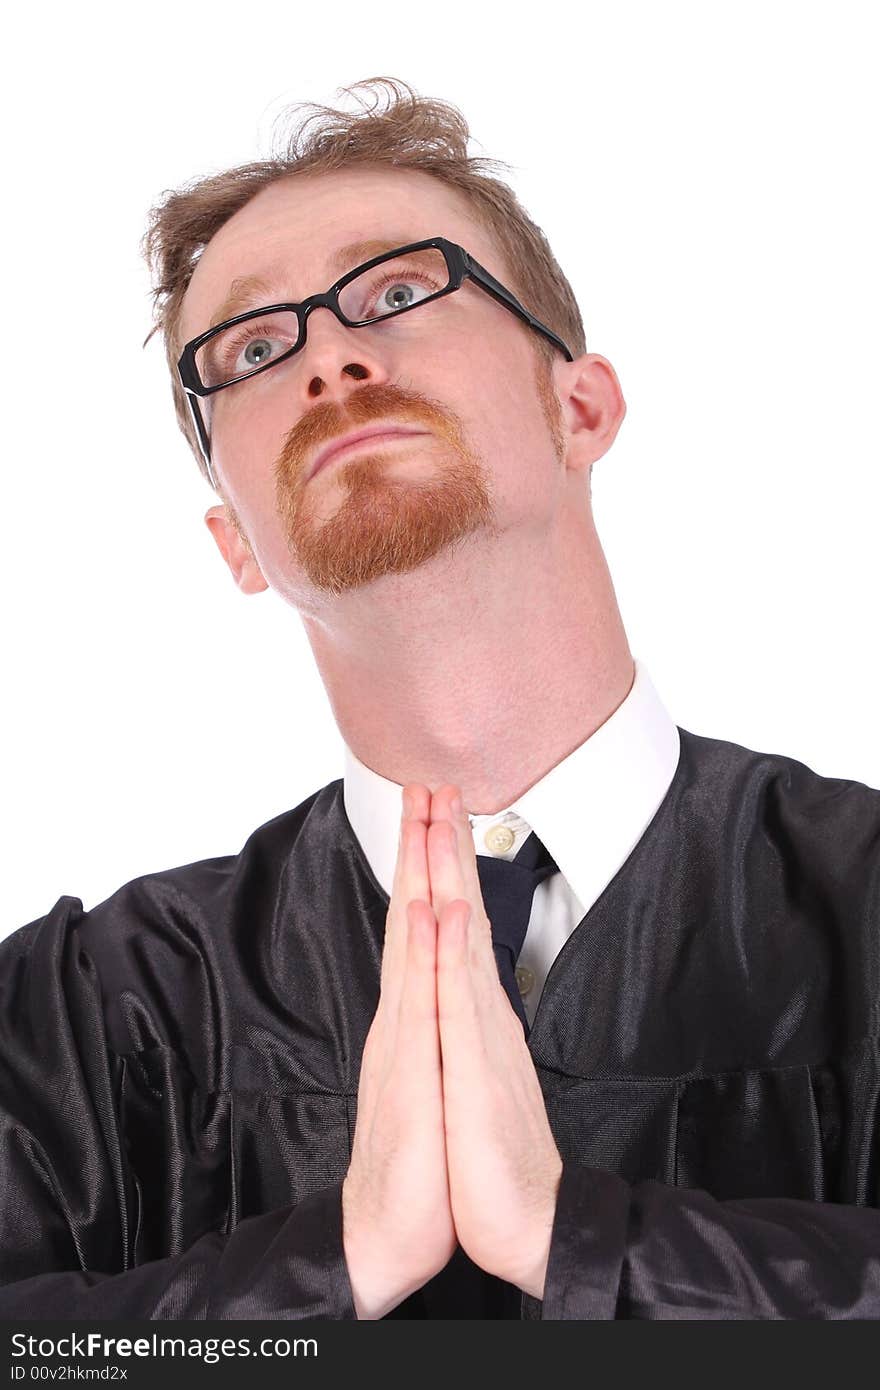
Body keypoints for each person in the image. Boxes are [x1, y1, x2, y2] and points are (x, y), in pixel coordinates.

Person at [1, 75, 878, 1322]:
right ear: (236, 542)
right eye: (254, 349)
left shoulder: (862, 918)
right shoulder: (87, 1024)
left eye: (400, 291)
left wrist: (582, 1244)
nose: (330, 356)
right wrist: (331, 1266)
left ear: (580, 405)